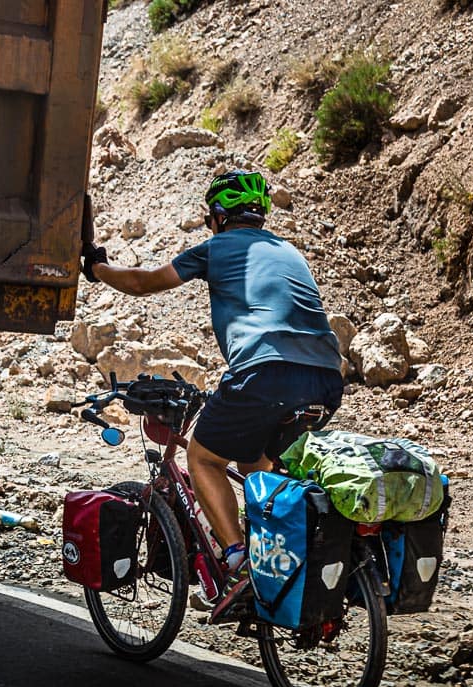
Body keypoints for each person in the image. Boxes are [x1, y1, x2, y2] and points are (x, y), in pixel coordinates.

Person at [82, 171, 343, 617]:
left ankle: (238, 561)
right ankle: (276, 564)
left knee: (203, 457)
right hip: (326, 379)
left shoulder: (216, 248)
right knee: (255, 465)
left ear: (219, 217)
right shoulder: (289, 251)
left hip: (265, 373)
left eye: (210, 218)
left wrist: (97, 268)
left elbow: (144, 283)